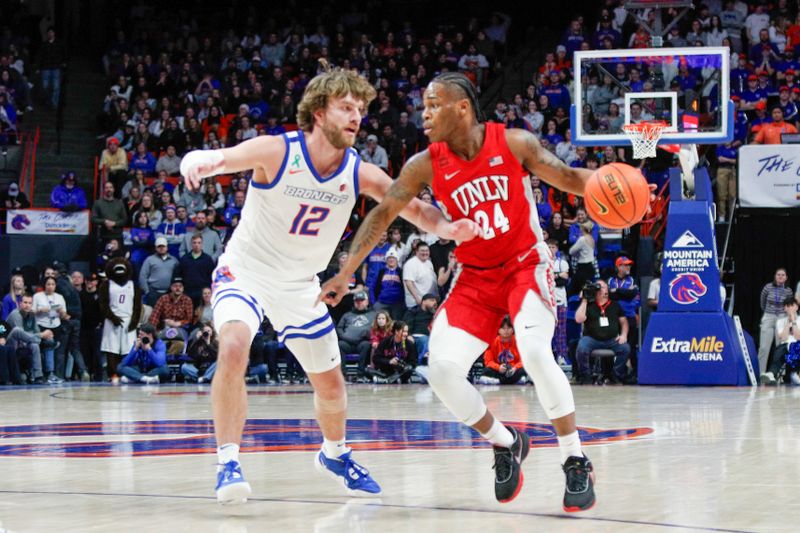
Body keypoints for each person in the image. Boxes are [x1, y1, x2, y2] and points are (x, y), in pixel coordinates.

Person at [180, 64, 479, 504]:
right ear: (319, 113)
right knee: (233, 346)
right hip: (248, 271)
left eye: (360, 109)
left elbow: (414, 209)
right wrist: (200, 160)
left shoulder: (360, 171)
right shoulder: (278, 151)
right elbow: (223, 158)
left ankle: (335, 454)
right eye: (346, 107)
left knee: (333, 386)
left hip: (301, 285)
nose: (357, 116)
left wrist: (450, 228)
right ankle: (228, 461)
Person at [321, 72, 599, 511]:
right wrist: (346, 271)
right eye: (424, 106)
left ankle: (575, 459)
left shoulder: (514, 142)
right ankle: (506, 443)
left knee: (534, 349)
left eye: (434, 105)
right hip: (475, 276)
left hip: (525, 263)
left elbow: (568, 177)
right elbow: (384, 214)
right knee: (442, 370)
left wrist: (614, 185)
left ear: (462, 107)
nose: (424, 114)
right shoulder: (425, 164)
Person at [574, 280, 631, 384]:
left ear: (607, 290)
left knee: (625, 348)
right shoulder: (589, 304)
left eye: (603, 287)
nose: (600, 289)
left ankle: (615, 374)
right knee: (581, 348)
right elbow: (578, 319)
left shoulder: (615, 305)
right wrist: (584, 300)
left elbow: (624, 322)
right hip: (592, 338)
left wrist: (623, 335)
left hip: (611, 339)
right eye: (598, 287)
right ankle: (586, 376)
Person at [6, 293, 52, 384]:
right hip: (11, 344)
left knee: (34, 345)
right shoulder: (15, 314)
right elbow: (21, 334)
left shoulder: (31, 315)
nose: (27, 305)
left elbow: (36, 331)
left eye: (30, 303)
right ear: (20, 304)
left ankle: (38, 376)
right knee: (17, 330)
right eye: (25, 302)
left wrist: (38, 336)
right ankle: (44, 342)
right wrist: (40, 336)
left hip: (24, 343)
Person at [758, 268, 794, 378]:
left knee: (780, 348)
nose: (780, 277)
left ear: (786, 277)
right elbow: (762, 302)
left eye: (783, 275)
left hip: (782, 318)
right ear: (775, 276)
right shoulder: (767, 287)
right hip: (769, 317)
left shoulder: (788, 290)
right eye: (778, 274)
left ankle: (778, 375)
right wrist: (769, 313)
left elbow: (789, 306)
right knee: (764, 347)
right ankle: (760, 374)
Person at [32, 276, 67, 383]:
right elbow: (31, 311)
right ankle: (48, 373)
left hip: (56, 326)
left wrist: (61, 312)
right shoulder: (38, 296)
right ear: (44, 285)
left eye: (53, 284)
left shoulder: (60, 297)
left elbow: (64, 315)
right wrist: (40, 309)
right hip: (41, 326)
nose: (50, 287)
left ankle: (54, 373)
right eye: (48, 284)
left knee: (56, 349)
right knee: (48, 344)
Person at [336, 291, 375, 380]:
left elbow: (378, 329)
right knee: (340, 344)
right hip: (347, 342)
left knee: (366, 345)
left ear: (367, 302)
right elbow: (339, 328)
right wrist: (344, 336)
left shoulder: (373, 314)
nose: (359, 303)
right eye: (357, 301)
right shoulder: (347, 315)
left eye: (362, 300)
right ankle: (342, 373)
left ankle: (361, 373)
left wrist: (369, 334)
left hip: (363, 342)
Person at [480, 316, 525, 385]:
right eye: (503, 328)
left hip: (514, 370)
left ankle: (499, 381)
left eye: (508, 328)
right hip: (499, 371)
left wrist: (515, 368)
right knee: (487, 371)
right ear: (498, 330)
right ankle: (513, 381)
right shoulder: (492, 342)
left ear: (513, 329)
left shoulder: (519, 341)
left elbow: (523, 360)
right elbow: (488, 361)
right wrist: (498, 368)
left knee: (524, 370)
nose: (506, 331)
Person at [139, 237, 180, 307]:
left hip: (169, 293)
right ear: (155, 248)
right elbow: (142, 277)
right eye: (159, 246)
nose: (161, 248)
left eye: (163, 246)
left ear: (167, 247)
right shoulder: (149, 260)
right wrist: (147, 291)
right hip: (153, 293)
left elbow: (178, 277)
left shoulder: (174, 260)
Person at [402, 293, 438, 364]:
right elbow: (405, 325)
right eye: (432, 300)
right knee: (424, 340)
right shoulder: (413, 311)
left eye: (435, 301)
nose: (435, 303)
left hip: (430, 337)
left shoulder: (434, 314)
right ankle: (421, 364)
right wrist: (408, 335)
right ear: (423, 301)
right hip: (414, 336)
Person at [402, 242, 438, 309]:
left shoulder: (429, 263)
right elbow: (408, 283)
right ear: (416, 251)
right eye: (422, 251)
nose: (425, 253)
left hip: (429, 302)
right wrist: (417, 299)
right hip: (416, 303)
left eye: (427, 251)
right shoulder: (410, 264)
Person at [373, 249, 405, 320]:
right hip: (381, 302)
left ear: (397, 260)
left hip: (397, 304)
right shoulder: (381, 272)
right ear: (386, 260)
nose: (391, 260)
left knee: (396, 323)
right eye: (389, 258)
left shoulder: (401, 272)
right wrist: (374, 302)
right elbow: (373, 287)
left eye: (393, 258)